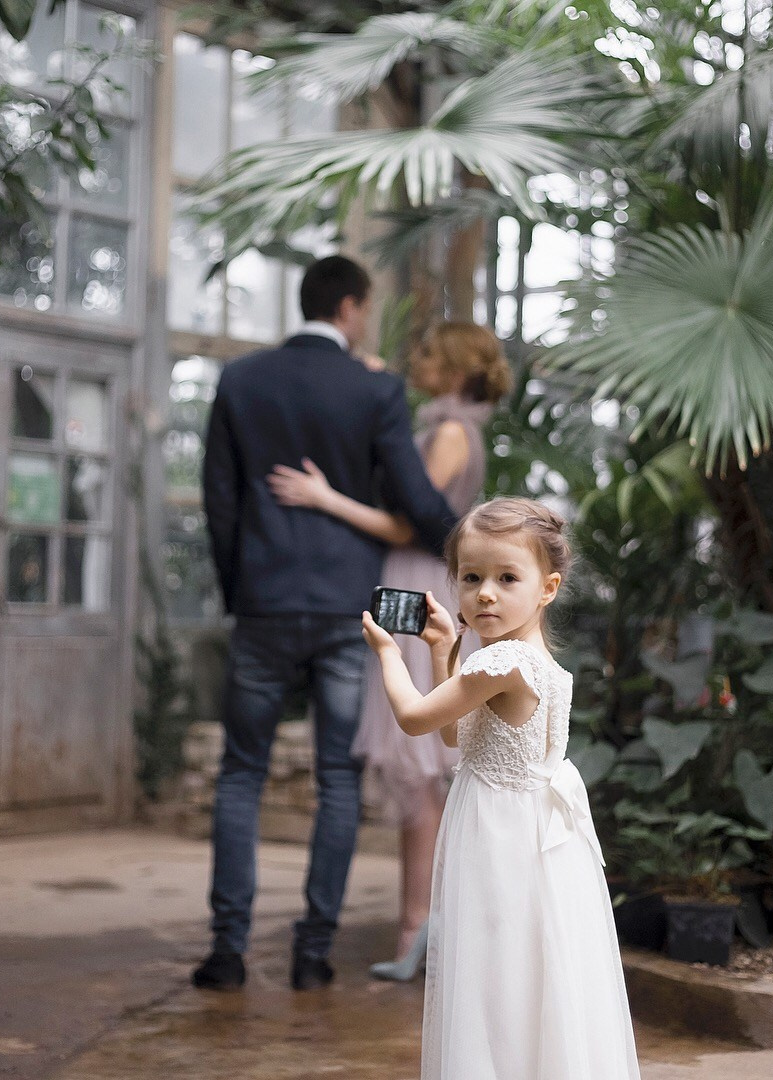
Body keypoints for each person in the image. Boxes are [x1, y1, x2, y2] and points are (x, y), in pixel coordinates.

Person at [194, 255, 458, 993]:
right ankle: (312, 956)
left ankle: (227, 952)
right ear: (348, 308)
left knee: (240, 773)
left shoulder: (241, 379)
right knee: (337, 779)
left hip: (264, 602)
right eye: (365, 310)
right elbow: (414, 496)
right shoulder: (374, 389)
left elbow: (220, 501)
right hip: (348, 607)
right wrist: (466, 545)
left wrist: (241, 588)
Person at [362, 497, 641, 1079]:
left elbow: (415, 719)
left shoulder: (505, 662)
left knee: (492, 973)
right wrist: (442, 649)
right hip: (526, 833)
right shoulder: (528, 659)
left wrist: (389, 653)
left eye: (507, 578)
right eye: (471, 578)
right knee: (523, 972)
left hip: (500, 837)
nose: (485, 594)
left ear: (547, 588)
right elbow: (456, 737)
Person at [266, 322, 511, 979]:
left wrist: (324, 498)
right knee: (419, 772)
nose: (416, 359)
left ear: (455, 368)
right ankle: (427, 926)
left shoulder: (452, 432)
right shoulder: (446, 426)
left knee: (419, 768)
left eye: (428, 352)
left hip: (418, 582)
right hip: (413, 581)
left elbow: (407, 522)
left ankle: (417, 929)